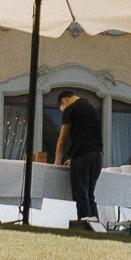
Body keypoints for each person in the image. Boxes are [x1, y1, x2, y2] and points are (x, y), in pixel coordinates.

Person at [53, 90, 105, 224]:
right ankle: (95, 225)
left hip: (82, 157)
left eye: (61, 109)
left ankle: (84, 225)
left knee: (81, 193)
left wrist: (57, 161)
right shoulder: (92, 108)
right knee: (90, 194)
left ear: (64, 100)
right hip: (97, 157)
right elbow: (87, 136)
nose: (63, 111)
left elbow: (62, 139)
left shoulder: (71, 109)